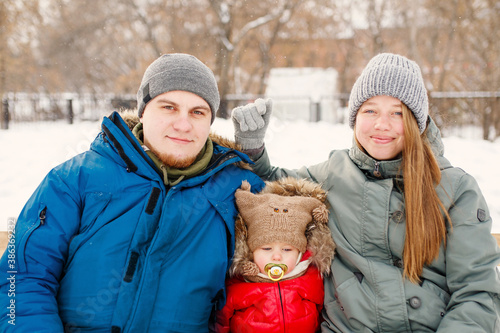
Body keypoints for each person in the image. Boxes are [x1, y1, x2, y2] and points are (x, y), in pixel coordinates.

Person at [231, 53, 500, 332]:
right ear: (355, 117)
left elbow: (477, 294)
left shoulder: (454, 189)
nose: (381, 124)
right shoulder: (332, 175)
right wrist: (252, 149)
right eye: (370, 110)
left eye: (397, 113)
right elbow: (270, 190)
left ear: (416, 122)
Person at [0, 53, 265, 332]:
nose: (183, 125)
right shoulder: (75, 179)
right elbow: (22, 280)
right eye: (169, 107)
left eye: (198, 112)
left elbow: (276, 287)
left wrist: (256, 156)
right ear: (142, 111)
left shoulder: (239, 192)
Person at [215, 177, 335, 333]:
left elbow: (324, 316)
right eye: (266, 249)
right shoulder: (238, 284)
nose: (277, 257)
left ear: (300, 253)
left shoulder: (312, 279)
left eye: (287, 250)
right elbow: (220, 322)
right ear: (251, 251)